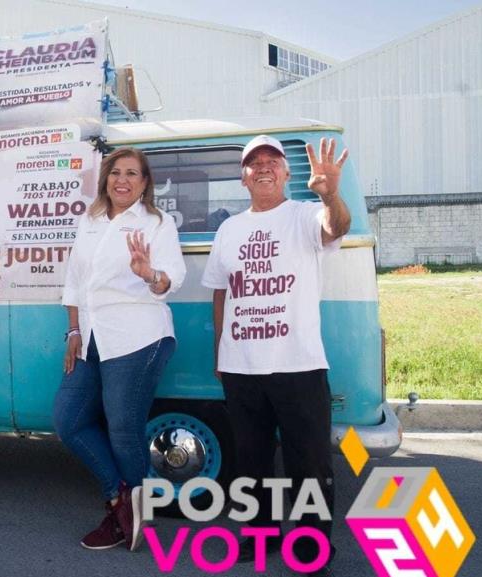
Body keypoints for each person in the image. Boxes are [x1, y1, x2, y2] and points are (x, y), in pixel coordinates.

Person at [201, 135, 351, 577]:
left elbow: (336, 227)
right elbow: (220, 293)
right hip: (241, 366)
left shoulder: (306, 215)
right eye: (253, 162)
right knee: (252, 459)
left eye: (273, 161)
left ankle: (309, 546)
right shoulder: (229, 229)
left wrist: (331, 195)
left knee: (309, 462)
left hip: (298, 364)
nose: (263, 166)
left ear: (287, 174)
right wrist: (220, 351)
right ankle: (260, 533)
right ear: (243, 177)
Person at [53, 147, 186, 551]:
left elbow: (172, 280)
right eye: (115, 173)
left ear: (145, 183)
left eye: (132, 173)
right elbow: (74, 280)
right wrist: (72, 331)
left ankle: (126, 514)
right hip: (92, 337)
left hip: (137, 336)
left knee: (124, 428)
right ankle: (120, 499)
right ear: (106, 179)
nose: (122, 180)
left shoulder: (156, 223)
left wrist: (150, 274)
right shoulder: (89, 221)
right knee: (68, 420)